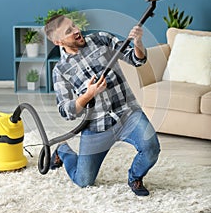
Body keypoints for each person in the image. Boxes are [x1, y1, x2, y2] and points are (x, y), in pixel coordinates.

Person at [44, 14, 160, 196]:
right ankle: (63, 150)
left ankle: (135, 177)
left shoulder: (101, 39)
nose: (76, 31)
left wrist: (138, 42)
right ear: (59, 42)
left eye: (74, 26)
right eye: (69, 31)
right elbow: (66, 111)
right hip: (96, 126)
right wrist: (88, 95)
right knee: (83, 181)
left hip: (127, 113)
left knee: (151, 148)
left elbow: (136, 59)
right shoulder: (60, 70)